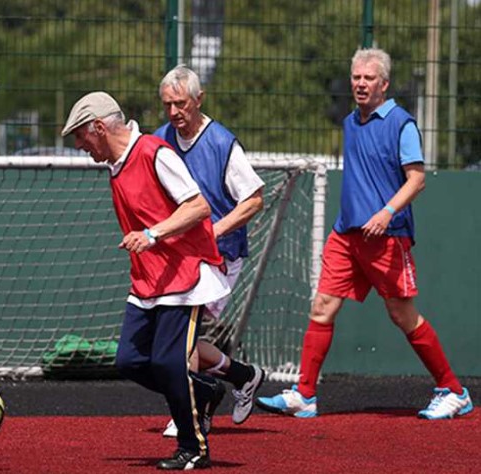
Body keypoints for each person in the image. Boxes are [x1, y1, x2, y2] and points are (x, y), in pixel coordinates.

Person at [256, 48, 474, 420]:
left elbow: (417, 179)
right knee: (322, 307)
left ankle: (453, 390)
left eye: (368, 78)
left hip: (388, 237)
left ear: (384, 84)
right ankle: (304, 395)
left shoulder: (401, 124)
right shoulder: (349, 123)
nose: (360, 83)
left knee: (401, 315)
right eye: (356, 77)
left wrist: (387, 213)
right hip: (347, 235)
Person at [61, 91, 228, 470]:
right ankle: (201, 390)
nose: (79, 146)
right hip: (150, 279)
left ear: (100, 128)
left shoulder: (155, 153)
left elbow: (199, 206)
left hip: (184, 274)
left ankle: (193, 448)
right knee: (131, 360)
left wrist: (152, 234)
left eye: (82, 137)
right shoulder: (116, 163)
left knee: (169, 363)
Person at [154, 65, 266, 438]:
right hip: (178, 255)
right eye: (167, 104)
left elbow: (253, 199)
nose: (173, 112)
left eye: (180, 103)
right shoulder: (160, 140)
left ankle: (189, 409)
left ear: (199, 100)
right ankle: (243, 376)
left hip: (219, 255)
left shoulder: (221, 143)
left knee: (180, 334)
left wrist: (213, 232)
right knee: (168, 338)